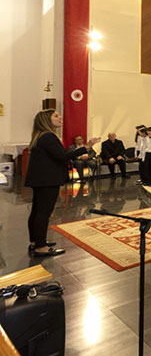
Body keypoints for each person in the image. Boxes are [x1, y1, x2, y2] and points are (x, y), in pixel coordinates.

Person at [25, 109, 99, 256]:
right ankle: (41, 247)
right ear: (47, 120)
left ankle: (37, 242)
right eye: (56, 116)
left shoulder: (41, 136)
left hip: (41, 179)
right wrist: (87, 146)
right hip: (47, 179)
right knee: (43, 213)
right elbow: (63, 156)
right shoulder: (49, 137)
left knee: (37, 211)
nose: (60, 118)